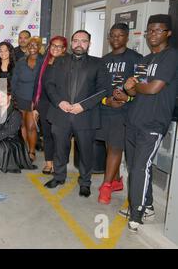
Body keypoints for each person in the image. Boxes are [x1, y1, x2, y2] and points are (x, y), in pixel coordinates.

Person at [120, 14, 178, 232]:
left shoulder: (171, 56)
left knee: (140, 168)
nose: (153, 34)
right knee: (137, 168)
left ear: (168, 33)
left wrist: (136, 86)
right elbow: (133, 90)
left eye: (158, 30)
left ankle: (137, 212)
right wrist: (130, 86)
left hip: (153, 124)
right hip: (134, 120)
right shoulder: (144, 60)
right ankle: (147, 205)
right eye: (150, 30)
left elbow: (153, 88)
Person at [44, 30, 110, 197]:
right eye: (76, 40)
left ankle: (85, 182)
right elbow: (49, 84)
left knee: (86, 152)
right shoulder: (59, 61)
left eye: (84, 41)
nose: (79, 43)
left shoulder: (98, 63)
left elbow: (104, 89)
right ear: (71, 43)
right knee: (60, 149)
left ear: (89, 44)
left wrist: (84, 106)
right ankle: (58, 177)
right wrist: (60, 102)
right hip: (61, 114)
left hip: (85, 116)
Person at [96, 23, 142, 205]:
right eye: (113, 35)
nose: (116, 39)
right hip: (106, 109)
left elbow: (142, 87)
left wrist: (127, 98)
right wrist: (107, 100)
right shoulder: (103, 60)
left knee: (116, 147)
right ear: (109, 37)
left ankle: (106, 187)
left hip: (125, 111)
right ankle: (115, 181)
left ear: (127, 37)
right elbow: (98, 87)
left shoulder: (137, 59)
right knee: (109, 146)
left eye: (120, 35)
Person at [32, 36, 68, 175]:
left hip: (59, 104)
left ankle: (59, 163)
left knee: (58, 135)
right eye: (53, 45)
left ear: (64, 49)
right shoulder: (44, 62)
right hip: (44, 103)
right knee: (47, 134)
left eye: (59, 46)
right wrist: (35, 106)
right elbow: (37, 84)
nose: (55, 48)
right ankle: (48, 163)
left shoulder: (67, 62)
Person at [0, 85, 36, 173]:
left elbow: (10, 131)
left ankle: (1, 160)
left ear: (9, 97)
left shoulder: (16, 113)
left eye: (3, 96)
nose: (0, 99)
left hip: (12, 141)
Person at [11, 36, 44, 162]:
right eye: (30, 45)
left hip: (35, 100)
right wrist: (13, 97)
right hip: (20, 97)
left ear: (39, 47)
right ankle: (24, 150)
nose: (32, 47)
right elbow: (14, 80)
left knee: (31, 126)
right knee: (22, 125)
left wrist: (38, 101)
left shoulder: (43, 62)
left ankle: (31, 151)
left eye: (35, 45)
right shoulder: (21, 61)